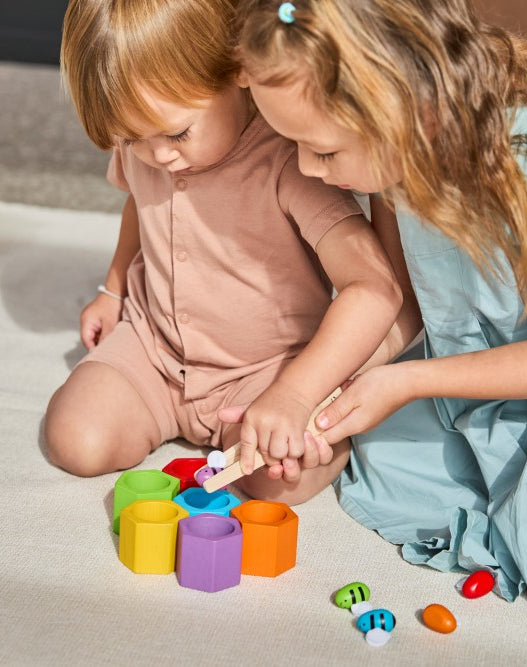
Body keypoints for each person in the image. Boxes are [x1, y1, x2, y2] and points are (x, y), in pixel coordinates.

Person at [44, 0, 403, 506]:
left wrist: (296, 394)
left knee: (278, 481)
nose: (158, 157)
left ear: (237, 68)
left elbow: (375, 287)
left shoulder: (293, 159)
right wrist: (114, 287)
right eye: (132, 138)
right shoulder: (146, 144)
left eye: (177, 133)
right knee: (73, 439)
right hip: (156, 349)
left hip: (265, 373)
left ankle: (323, 434)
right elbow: (138, 207)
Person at [233, 0, 527, 599]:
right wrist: (319, 396)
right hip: (471, 392)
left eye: (323, 150)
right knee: (378, 462)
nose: (307, 169)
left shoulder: (521, 170)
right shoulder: (398, 167)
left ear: (410, 112)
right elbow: (406, 310)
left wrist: (406, 384)